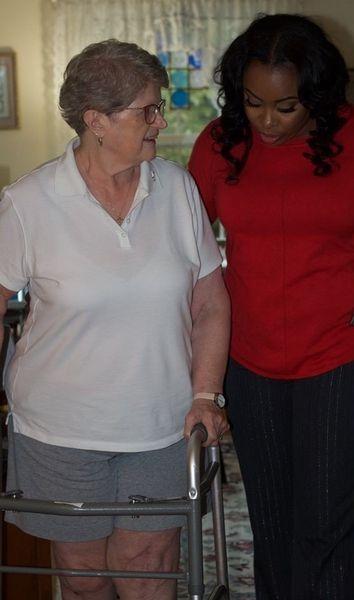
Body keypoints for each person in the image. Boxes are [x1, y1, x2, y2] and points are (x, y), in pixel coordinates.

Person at [0, 39, 230, 600]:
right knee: (83, 578)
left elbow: (210, 300)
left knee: (147, 568)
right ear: (96, 120)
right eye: (147, 110)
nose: (161, 121)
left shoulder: (177, 189)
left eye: (159, 107)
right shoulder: (27, 203)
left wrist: (206, 395)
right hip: (58, 429)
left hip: (162, 423)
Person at [188, 13, 354, 600]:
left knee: (326, 523)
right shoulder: (220, 143)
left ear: (318, 93)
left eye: (286, 107)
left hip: (338, 357)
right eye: (253, 102)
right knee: (271, 522)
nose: (267, 121)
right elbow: (182, 244)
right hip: (248, 360)